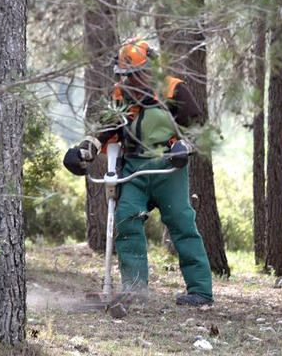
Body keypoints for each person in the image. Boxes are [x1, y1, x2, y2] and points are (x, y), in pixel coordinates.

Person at [64, 37, 214, 306]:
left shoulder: (173, 91)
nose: (129, 81)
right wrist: (82, 152)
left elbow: (198, 129)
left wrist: (184, 147)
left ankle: (200, 291)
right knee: (125, 219)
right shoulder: (120, 96)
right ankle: (135, 290)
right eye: (124, 76)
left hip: (169, 167)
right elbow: (104, 132)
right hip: (133, 168)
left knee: (181, 223)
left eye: (134, 75)